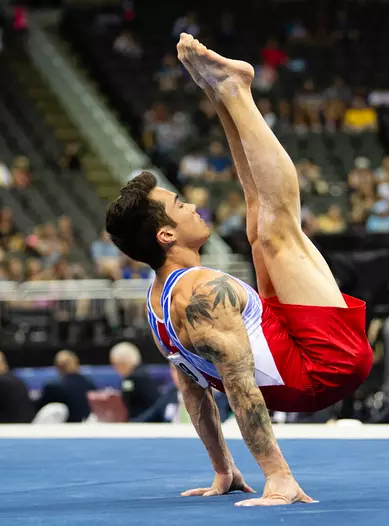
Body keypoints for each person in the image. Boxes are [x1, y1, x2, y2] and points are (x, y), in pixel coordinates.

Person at [105, 34, 372, 507]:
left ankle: (224, 92)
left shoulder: (158, 302)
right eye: (179, 205)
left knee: (257, 215)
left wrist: (222, 469)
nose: (192, 206)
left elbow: (194, 393)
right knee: (277, 229)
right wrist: (278, 476)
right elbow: (239, 387)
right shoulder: (204, 291)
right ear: (166, 235)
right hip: (323, 367)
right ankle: (232, 90)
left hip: (291, 350)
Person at [37, 350, 97, 423]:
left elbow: (39, 412)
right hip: (86, 428)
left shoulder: (53, 388)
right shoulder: (90, 384)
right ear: (77, 364)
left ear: (58, 367)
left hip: (63, 430)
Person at [109, 342, 160, 421]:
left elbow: (125, 400)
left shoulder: (130, 380)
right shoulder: (144, 374)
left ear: (122, 363)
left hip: (140, 422)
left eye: (115, 364)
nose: (115, 369)